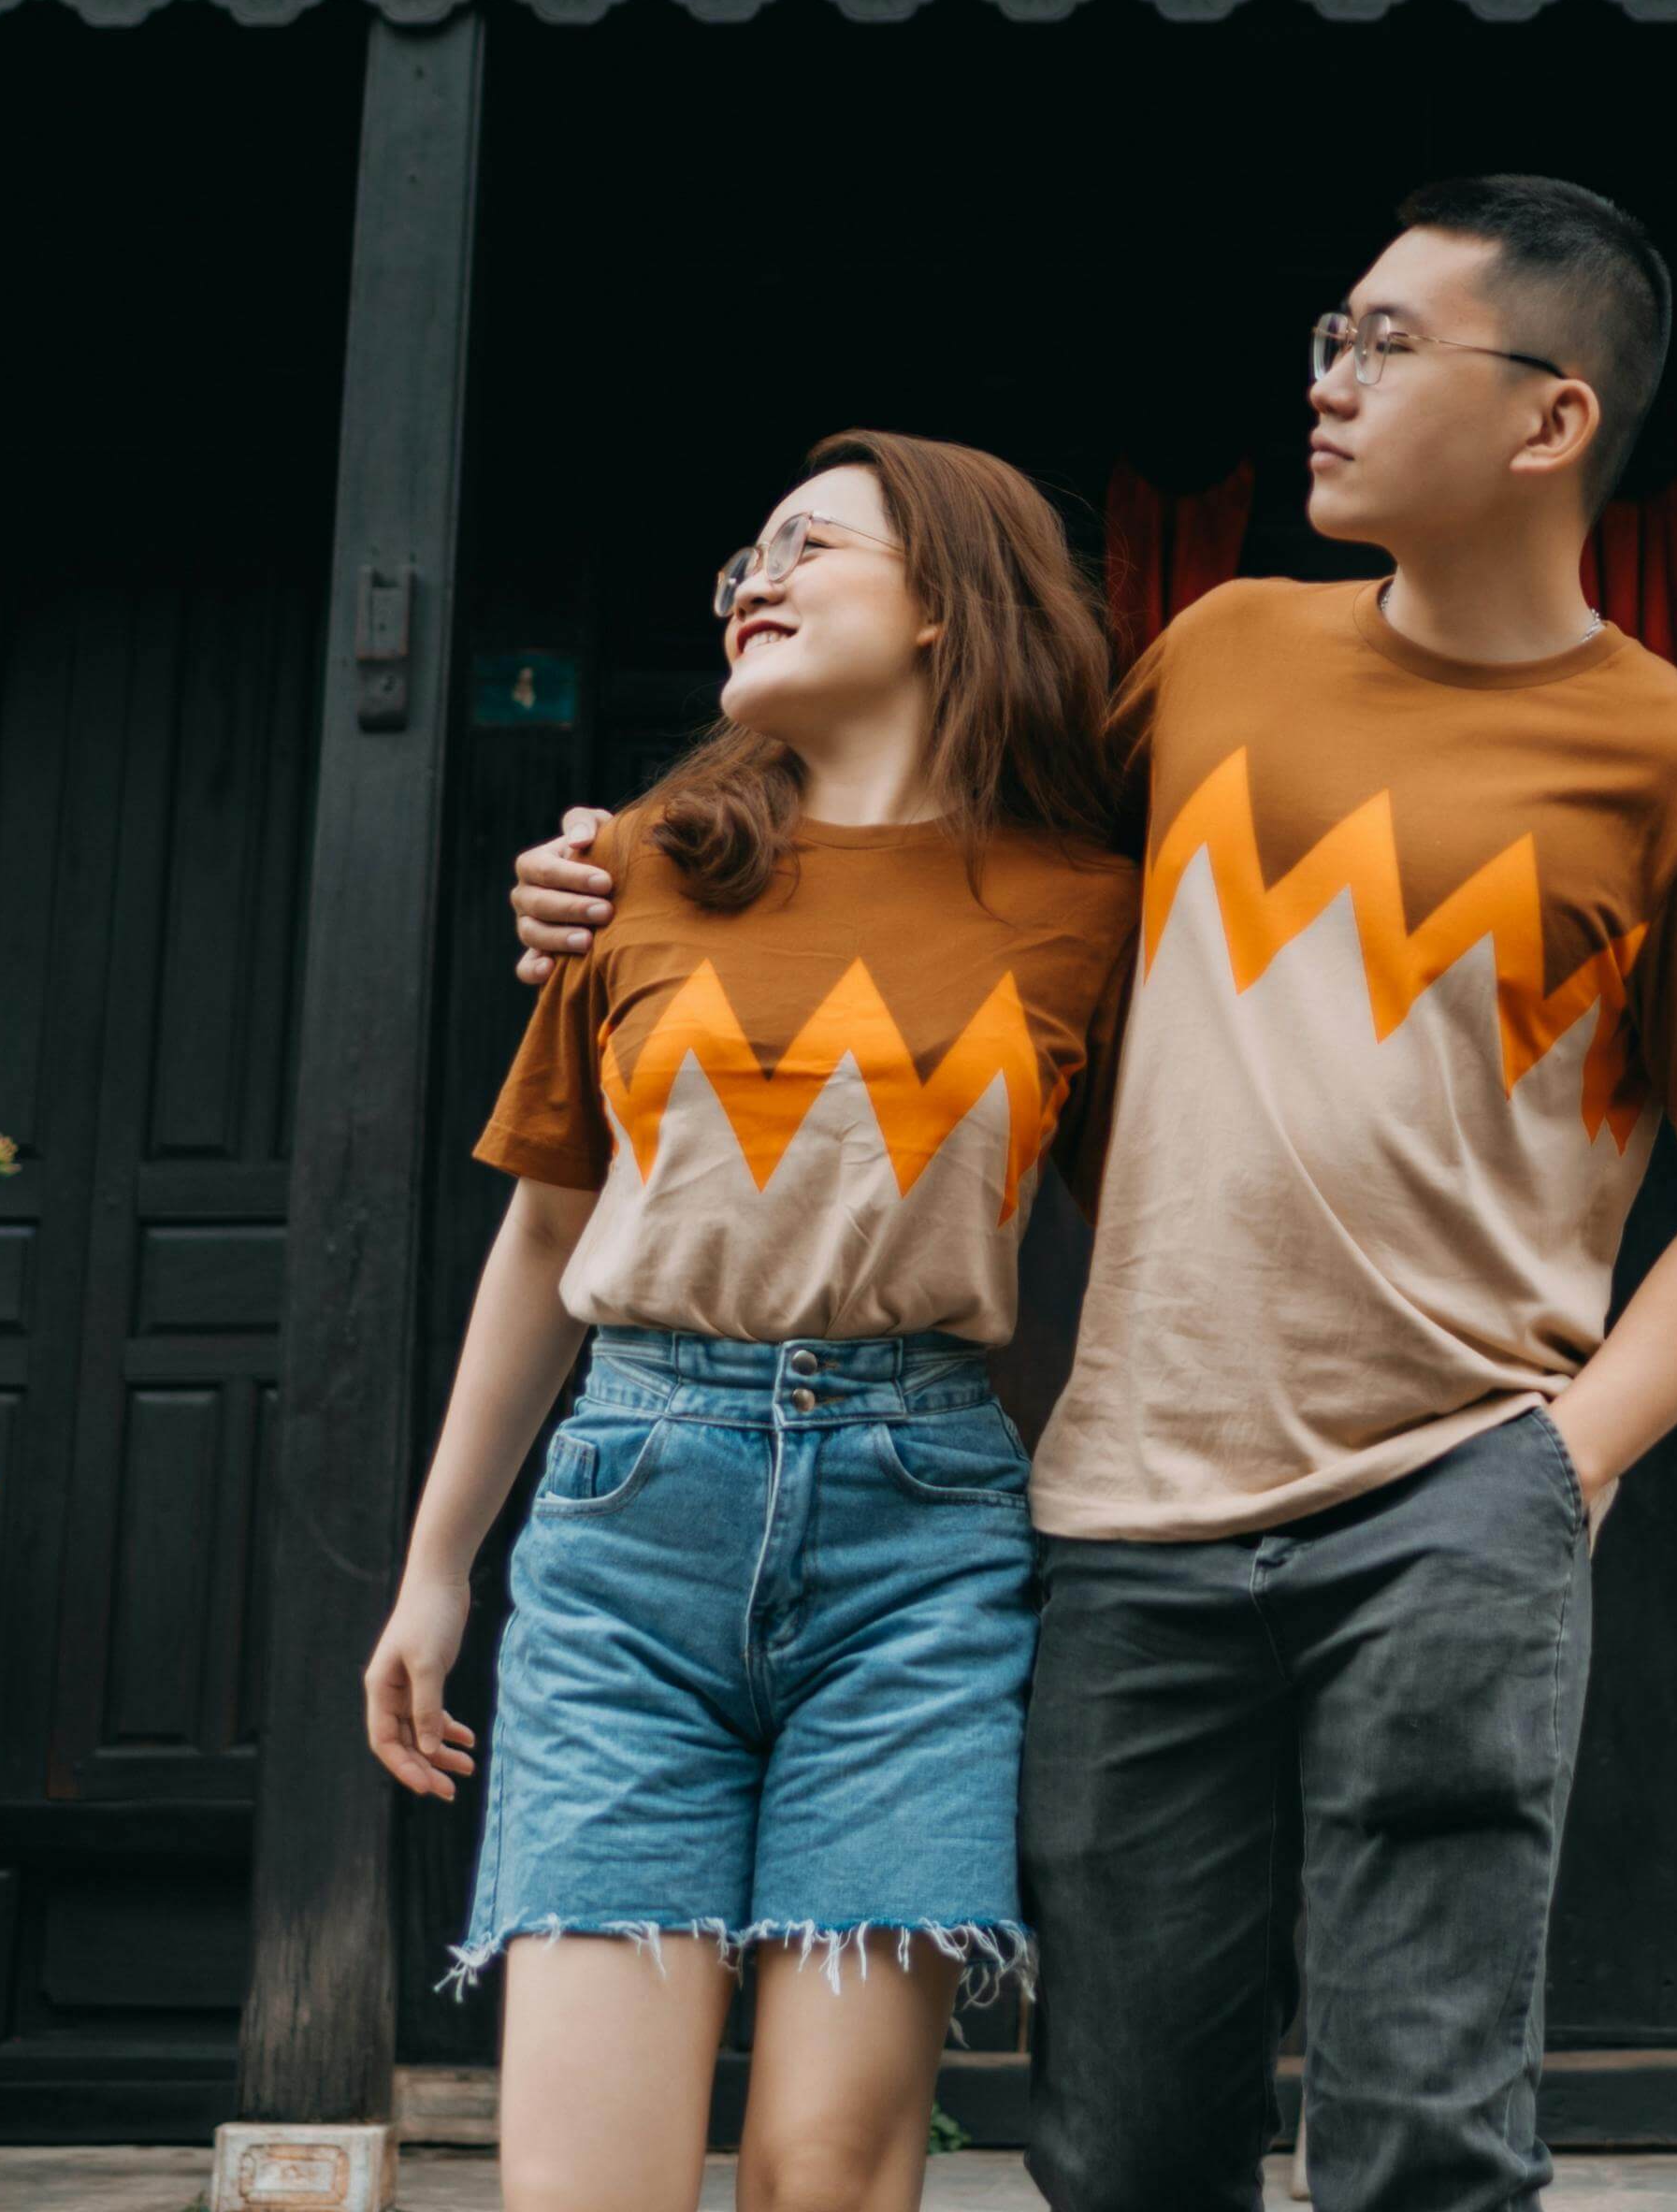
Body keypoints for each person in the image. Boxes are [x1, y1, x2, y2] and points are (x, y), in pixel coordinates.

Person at [514, 177, 1677, 2212]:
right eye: (1328, 335)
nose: (1328, 380)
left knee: (1418, 2144)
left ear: (1551, 418)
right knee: (1123, 2149)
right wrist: (646, 858)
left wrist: (1561, 1464)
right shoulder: (1218, 651)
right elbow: (953, 836)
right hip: (1125, 1516)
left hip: (1445, 1505)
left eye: (1385, 343)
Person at [371, 429, 1140, 2212]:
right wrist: (433, 1570)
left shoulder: (1090, 905)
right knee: (588, 2185)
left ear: (948, 602)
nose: (753, 582)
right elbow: (546, 1227)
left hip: (927, 1546)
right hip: (629, 1522)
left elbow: (1154, 1233)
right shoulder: (636, 867)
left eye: (809, 546)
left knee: (825, 2179)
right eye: (742, 562)